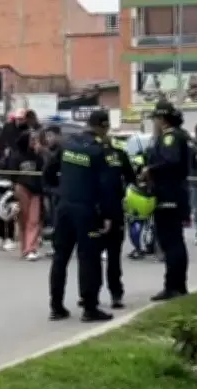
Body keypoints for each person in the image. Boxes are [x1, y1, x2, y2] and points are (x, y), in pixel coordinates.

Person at [43, 109, 115, 322]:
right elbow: (106, 186)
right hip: (86, 209)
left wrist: (57, 192)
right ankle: (90, 308)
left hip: (64, 208)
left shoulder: (68, 144)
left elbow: (48, 172)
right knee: (88, 258)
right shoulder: (98, 151)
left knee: (60, 257)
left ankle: (56, 306)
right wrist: (108, 214)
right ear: (103, 127)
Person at [141, 100, 191, 301]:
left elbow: (170, 161)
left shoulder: (170, 137)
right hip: (174, 192)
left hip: (169, 193)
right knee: (175, 241)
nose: (154, 123)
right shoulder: (177, 135)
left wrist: (149, 170)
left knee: (170, 242)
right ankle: (179, 285)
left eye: (155, 119)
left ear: (162, 119)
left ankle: (172, 286)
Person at [101, 127, 137, 309]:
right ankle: (93, 294)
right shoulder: (92, 155)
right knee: (96, 256)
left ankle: (115, 293)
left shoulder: (119, 155)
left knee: (112, 255)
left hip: (111, 209)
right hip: (99, 210)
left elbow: (131, 179)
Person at [9, 130, 46, 261]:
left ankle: (31, 248)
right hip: (22, 188)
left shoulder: (38, 156)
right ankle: (24, 248)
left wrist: (40, 152)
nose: (34, 142)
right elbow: (12, 174)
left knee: (34, 219)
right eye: (32, 139)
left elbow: (44, 170)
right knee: (23, 220)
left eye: (36, 139)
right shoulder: (16, 155)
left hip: (36, 190)